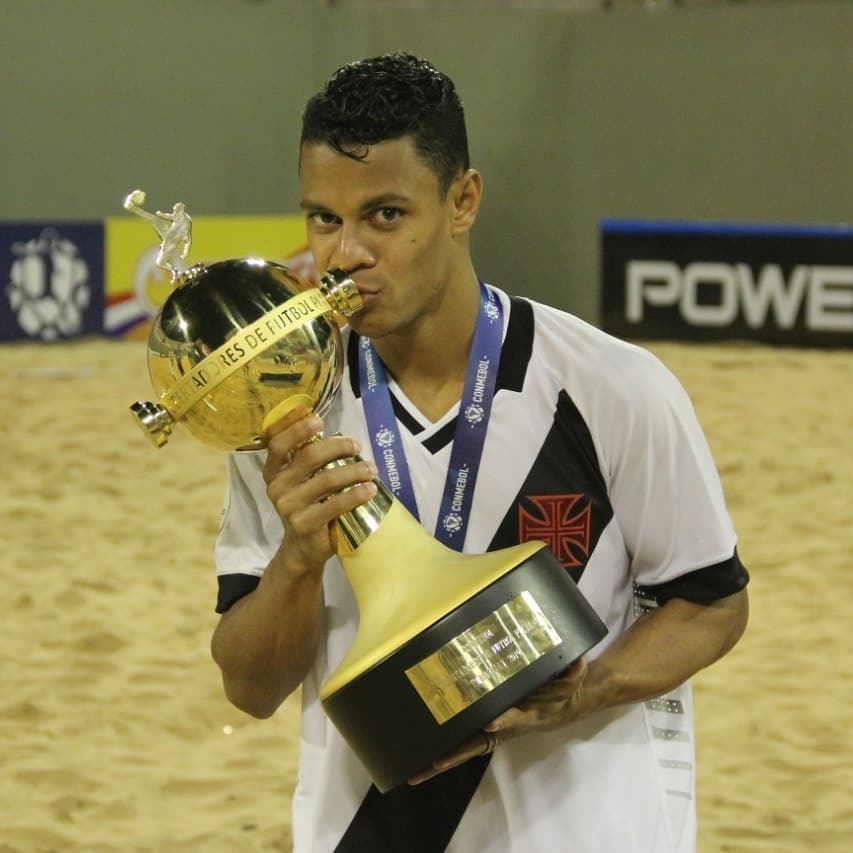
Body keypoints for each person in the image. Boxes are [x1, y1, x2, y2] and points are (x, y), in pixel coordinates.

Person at [210, 52, 749, 853]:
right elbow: (249, 688)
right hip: (366, 831)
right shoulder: (289, 417)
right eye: (323, 218)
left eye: (384, 215)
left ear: (462, 199)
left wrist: (585, 688)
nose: (345, 253)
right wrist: (295, 558)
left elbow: (710, 601)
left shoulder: (612, 387)